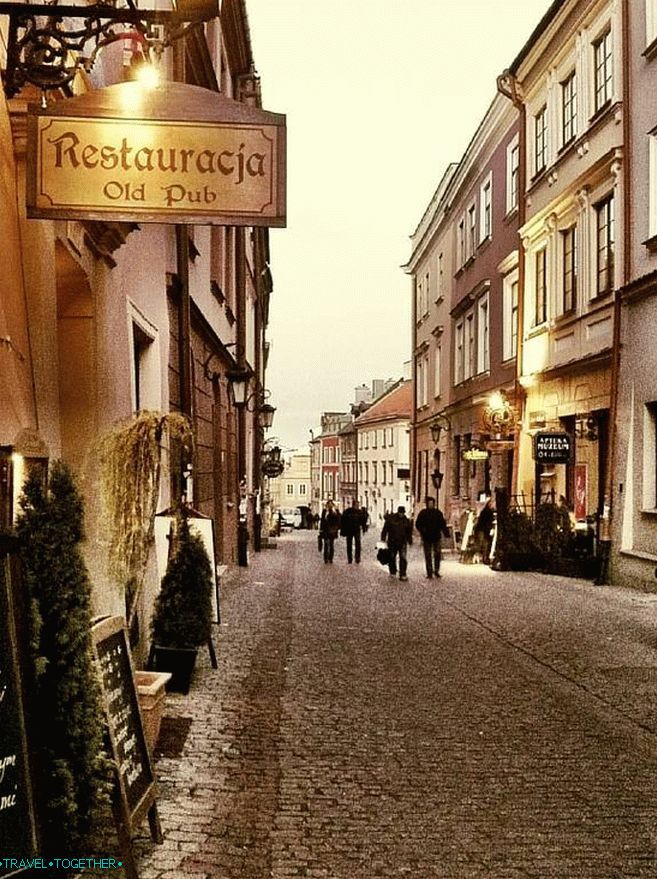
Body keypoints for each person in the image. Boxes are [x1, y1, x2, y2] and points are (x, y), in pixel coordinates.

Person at [415, 496, 450, 579]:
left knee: (437, 554)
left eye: (432, 503)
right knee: (428, 555)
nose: (431, 505)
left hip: (436, 536)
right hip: (426, 537)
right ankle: (429, 572)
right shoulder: (423, 513)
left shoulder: (438, 513)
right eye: (429, 503)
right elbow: (418, 524)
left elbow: (442, 524)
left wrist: (446, 533)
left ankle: (436, 570)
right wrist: (423, 531)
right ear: (427, 504)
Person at [381, 505, 413, 581]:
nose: (401, 514)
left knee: (403, 558)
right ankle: (393, 572)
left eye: (402, 513)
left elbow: (408, 532)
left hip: (402, 542)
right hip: (392, 542)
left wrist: (410, 540)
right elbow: (385, 529)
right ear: (398, 512)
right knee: (392, 557)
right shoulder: (391, 519)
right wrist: (383, 538)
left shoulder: (406, 521)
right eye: (400, 512)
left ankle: (402, 574)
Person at [340, 499, 364, 564]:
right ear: (353, 505)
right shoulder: (348, 511)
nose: (357, 506)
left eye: (358, 505)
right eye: (356, 505)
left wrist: (364, 528)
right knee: (349, 545)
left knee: (358, 544)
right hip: (349, 530)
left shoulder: (359, 512)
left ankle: (357, 558)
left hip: (356, 530)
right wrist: (343, 530)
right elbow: (343, 521)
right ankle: (350, 559)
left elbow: (362, 521)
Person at [474, 498, 495, 564]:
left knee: (483, 544)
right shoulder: (488, 512)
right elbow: (486, 522)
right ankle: (484, 558)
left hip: (483, 529)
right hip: (483, 530)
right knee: (483, 544)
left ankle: (482, 558)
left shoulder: (485, 511)